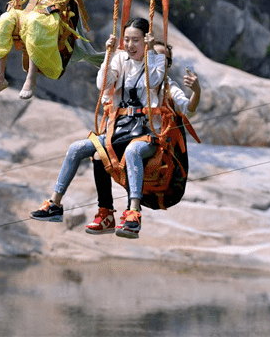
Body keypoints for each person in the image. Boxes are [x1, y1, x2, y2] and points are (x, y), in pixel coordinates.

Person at [30, 17, 165, 239]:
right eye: (127, 40)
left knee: (132, 152)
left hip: (145, 133)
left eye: (136, 41)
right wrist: (109, 55)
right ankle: (55, 204)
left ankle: (133, 212)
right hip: (120, 130)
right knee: (78, 148)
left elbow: (152, 81)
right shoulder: (121, 59)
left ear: (146, 41)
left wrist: (150, 52)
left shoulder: (157, 60)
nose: (130, 45)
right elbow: (103, 83)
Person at [85, 41, 201, 236]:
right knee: (99, 155)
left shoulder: (167, 88)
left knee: (133, 150)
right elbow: (108, 88)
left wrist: (196, 91)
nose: (159, 62)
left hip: (155, 150)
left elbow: (188, 107)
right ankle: (105, 212)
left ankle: (133, 213)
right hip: (127, 141)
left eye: (164, 60)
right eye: (153, 57)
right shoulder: (129, 81)